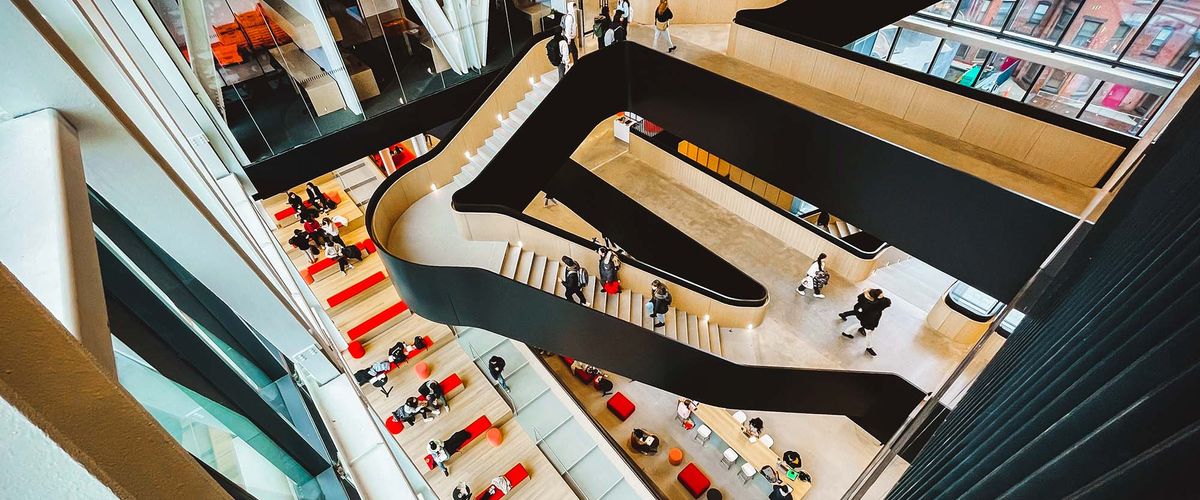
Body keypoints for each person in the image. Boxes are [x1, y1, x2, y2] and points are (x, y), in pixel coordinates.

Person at [840, 290, 891, 356]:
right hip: (868, 323)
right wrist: (872, 327)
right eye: (881, 294)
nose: (882, 295)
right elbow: (872, 319)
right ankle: (868, 347)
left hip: (864, 319)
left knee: (858, 325)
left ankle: (846, 332)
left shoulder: (872, 300)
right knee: (869, 334)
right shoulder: (875, 309)